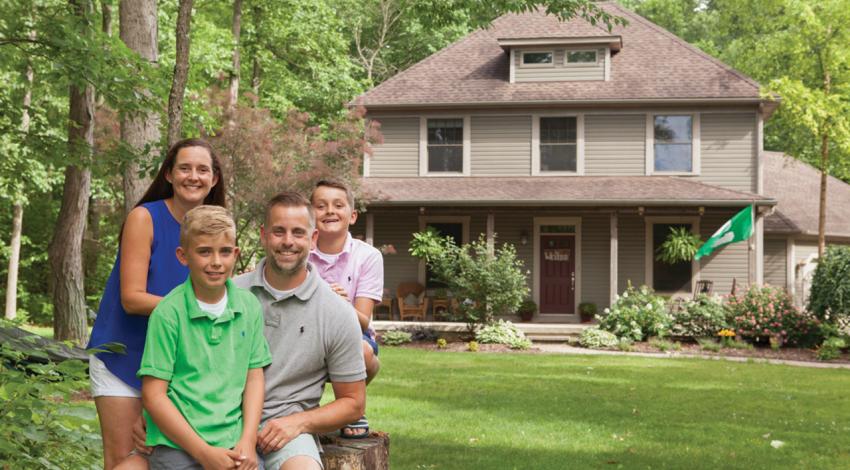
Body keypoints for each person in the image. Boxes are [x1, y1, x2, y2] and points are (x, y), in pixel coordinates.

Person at [86, 138, 226, 470]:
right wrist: (195, 309)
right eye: (185, 168)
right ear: (168, 174)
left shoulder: (216, 227)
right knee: (125, 459)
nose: (193, 176)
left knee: (163, 460)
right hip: (124, 355)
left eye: (202, 169)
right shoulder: (144, 218)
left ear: (214, 178)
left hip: (174, 368)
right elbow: (132, 298)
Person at [233, 192, 366, 470]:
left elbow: (353, 402)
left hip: (290, 431)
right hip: (224, 421)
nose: (288, 242)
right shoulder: (230, 294)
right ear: (263, 235)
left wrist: (298, 422)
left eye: (298, 232)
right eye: (278, 231)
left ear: (313, 238)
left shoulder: (337, 312)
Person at [138, 205, 271, 470]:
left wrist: (247, 438)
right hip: (179, 444)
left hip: (233, 440)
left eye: (224, 252)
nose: (216, 262)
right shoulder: (168, 313)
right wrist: (203, 453)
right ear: (183, 256)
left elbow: (254, 376)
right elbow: (154, 396)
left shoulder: (249, 306)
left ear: (235, 254)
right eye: (204, 252)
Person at [309, 180, 383, 438]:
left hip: (352, 333)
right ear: (310, 215)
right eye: (321, 205)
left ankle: (352, 408)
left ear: (352, 216)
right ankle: (303, 408)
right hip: (306, 332)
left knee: (362, 351)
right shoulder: (299, 252)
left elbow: (362, 322)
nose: (329, 210)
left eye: (338, 205)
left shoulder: (368, 256)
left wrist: (339, 305)